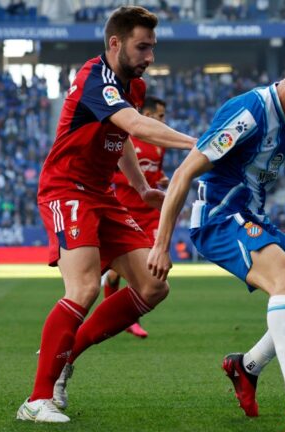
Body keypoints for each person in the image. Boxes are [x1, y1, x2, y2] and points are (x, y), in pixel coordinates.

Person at [147, 36, 285, 429]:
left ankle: (247, 366)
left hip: (253, 218)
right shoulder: (249, 112)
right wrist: (161, 245)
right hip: (220, 218)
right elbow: (184, 173)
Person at [16, 6, 196, 423]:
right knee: (83, 288)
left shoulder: (134, 85)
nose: (149, 56)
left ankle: (65, 356)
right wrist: (203, 144)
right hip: (66, 188)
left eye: (153, 47)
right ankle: (36, 400)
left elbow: (122, 135)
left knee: (153, 286)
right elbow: (137, 125)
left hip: (102, 194)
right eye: (142, 46)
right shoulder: (95, 78)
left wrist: (140, 187)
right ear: (115, 43)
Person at [101, 96, 170, 339]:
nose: (164, 120)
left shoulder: (159, 145)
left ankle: (130, 317)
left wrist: (160, 180)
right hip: (126, 211)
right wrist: (138, 182)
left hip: (149, 215)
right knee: (115, 273)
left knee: (154, 268)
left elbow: (156, 171)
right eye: (161, 116)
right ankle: (123, 319)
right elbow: (113, 175)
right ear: (148, 116)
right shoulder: (125, 140)